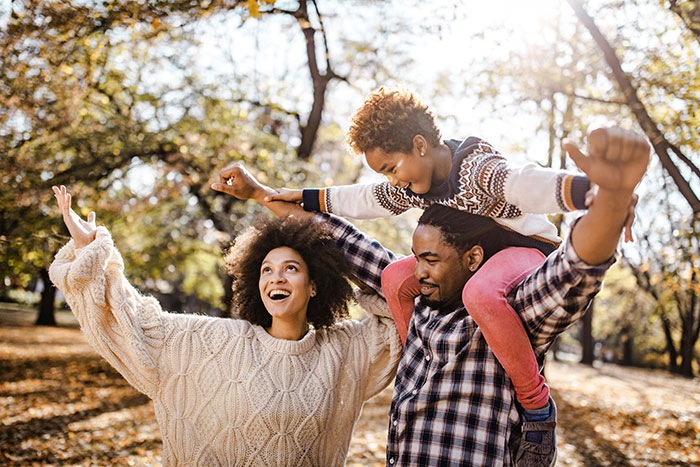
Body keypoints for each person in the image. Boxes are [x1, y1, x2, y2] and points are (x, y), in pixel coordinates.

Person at [211, 123, 650, 466]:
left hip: (526, 258)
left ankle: (536, 403)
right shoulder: (418, 283)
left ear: (473, 257)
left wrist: (605, 200)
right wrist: (261, 193)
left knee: (482, 293)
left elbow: (572, 263)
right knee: (392, 274)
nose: (420, 271)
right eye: (417, 256)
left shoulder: (515, 306)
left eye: (433, 260)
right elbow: (338, 223)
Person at [48, 185, 402, 466]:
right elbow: (137, 321)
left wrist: (301, 213)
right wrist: (92, 249)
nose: (275, 278)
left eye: (291, 268)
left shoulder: (346, 350)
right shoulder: (212, 341)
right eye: (266, 270)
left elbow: (397, 292)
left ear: (315, 285)